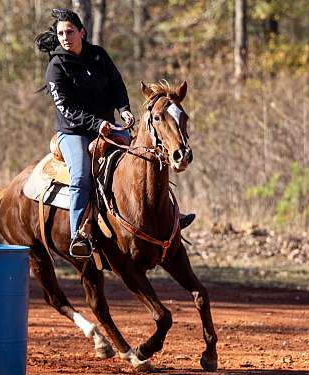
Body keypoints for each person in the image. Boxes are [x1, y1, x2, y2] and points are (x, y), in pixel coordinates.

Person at [35, 9, 195, 259]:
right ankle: (79, 234)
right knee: (80, 176)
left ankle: (170, 217)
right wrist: (96, 123)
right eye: (61, 33)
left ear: (82, 32)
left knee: (147, 157)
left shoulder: (98, 55)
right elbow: (66, 108)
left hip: (108, 128)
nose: (65, 37)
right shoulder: (56, 67)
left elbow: (117, 85)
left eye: (70, 32)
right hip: (74, 133)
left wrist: (124, 110)